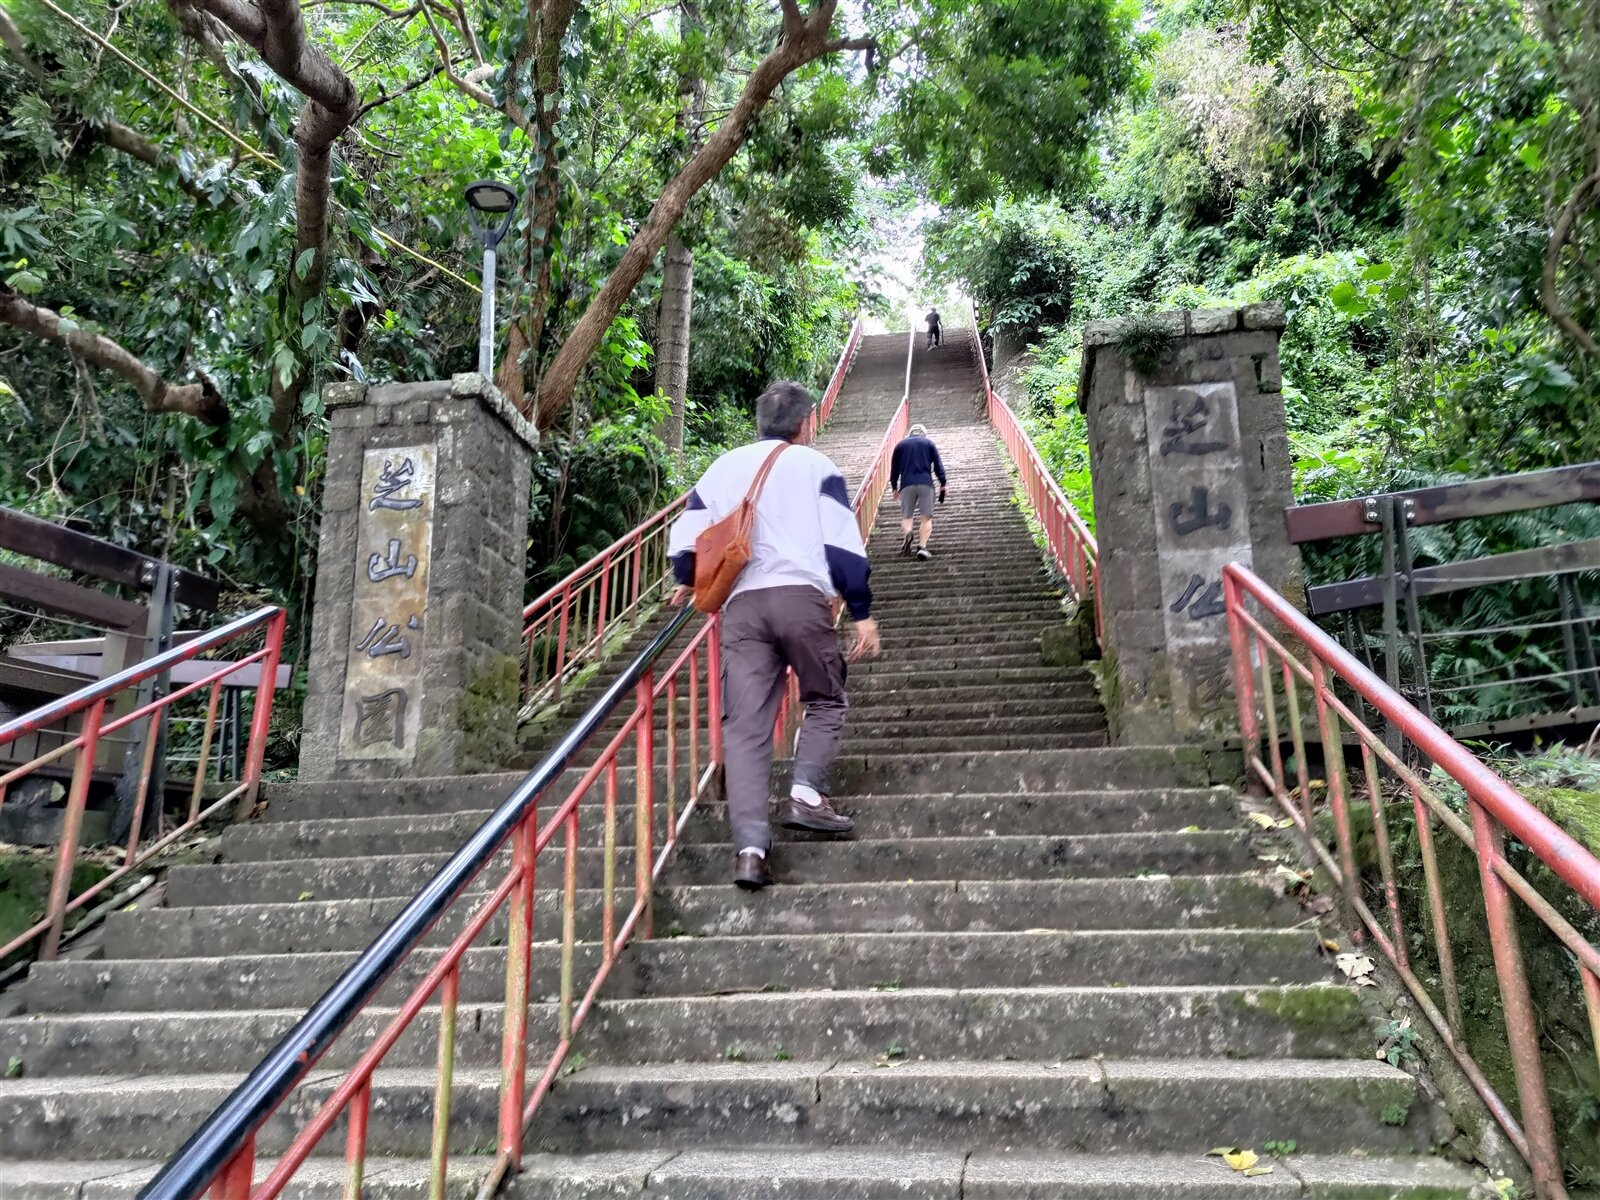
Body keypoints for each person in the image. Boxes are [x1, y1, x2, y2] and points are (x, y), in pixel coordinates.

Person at [667, 381, 882, 891]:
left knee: (744, 728)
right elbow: (842, 544)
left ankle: (749, 849)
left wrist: (685, 576)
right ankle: (807, 793)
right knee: (826, 696)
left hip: (742, 608)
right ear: (806, 423)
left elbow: (687, 533)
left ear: (760, 423)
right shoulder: (816, 467)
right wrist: (861, 610)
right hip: (802, 600)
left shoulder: (723, 467)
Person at [890, 422, 947, 560]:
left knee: (907, 516)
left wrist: (894, 487)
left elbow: (895, 468)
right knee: (926, 517)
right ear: (923, 434)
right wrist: (943, 483)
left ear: (910, 433)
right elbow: (937, 465)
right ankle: (922, 547)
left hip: (906, 485)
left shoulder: (900, 445)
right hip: (925, 484)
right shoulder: (929, 444)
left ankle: (909, 532)